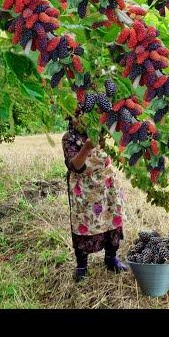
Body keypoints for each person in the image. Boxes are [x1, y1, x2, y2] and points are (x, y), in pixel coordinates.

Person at [62, 107, 127, 282]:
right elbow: (75, 166)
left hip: (106, 186)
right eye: (78, 117)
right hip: (84, 189)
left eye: (86, 116)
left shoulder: (99, 131)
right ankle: (82, 267)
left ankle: (110, 259)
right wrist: (87, 148)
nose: (82, 120)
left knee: (111, 219)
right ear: (72, 119)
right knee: (83, 223)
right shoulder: (69, 138)